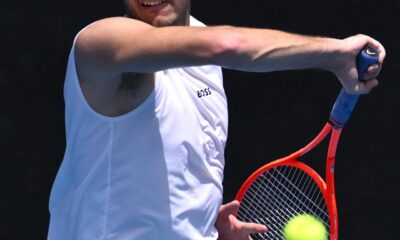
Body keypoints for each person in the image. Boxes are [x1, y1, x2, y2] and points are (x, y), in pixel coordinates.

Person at [47, 0, 385, 239]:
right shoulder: (100, 44)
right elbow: (227, 44)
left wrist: (203, 228)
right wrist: (334, 53)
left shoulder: (205, 61)